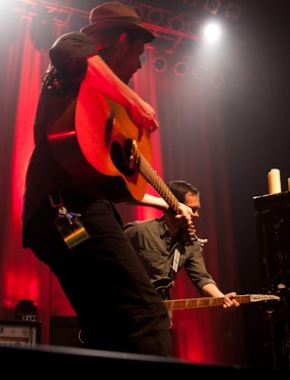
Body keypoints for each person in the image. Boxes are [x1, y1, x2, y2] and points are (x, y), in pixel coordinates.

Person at [21, 2, 195, 356]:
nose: (142, 64)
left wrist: (168, 202)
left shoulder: (105, 108)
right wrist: (134, 101)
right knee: (147, 312)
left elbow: (118, 185)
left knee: (104, 320)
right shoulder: (74, 71)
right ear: (121, 40)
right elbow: (68, 45)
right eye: (139, 51)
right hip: (66, 210)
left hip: (62, 220)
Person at [124, 180, 240, 310]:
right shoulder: (139, 231)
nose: (196, 215)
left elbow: (201, 278)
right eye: (192, 209)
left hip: (159, 313)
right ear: (174, 208)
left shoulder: (190, 243)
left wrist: (220, 297)